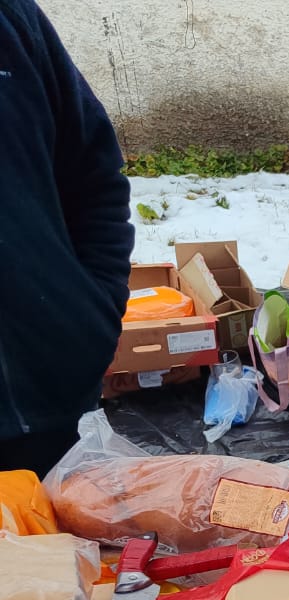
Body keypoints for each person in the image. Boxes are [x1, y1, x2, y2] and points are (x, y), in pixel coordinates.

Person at [0, 0, 133, 476]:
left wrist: (92, 313)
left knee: (78, 552)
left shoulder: (13, 20)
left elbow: (94, 177)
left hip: (58, 409)